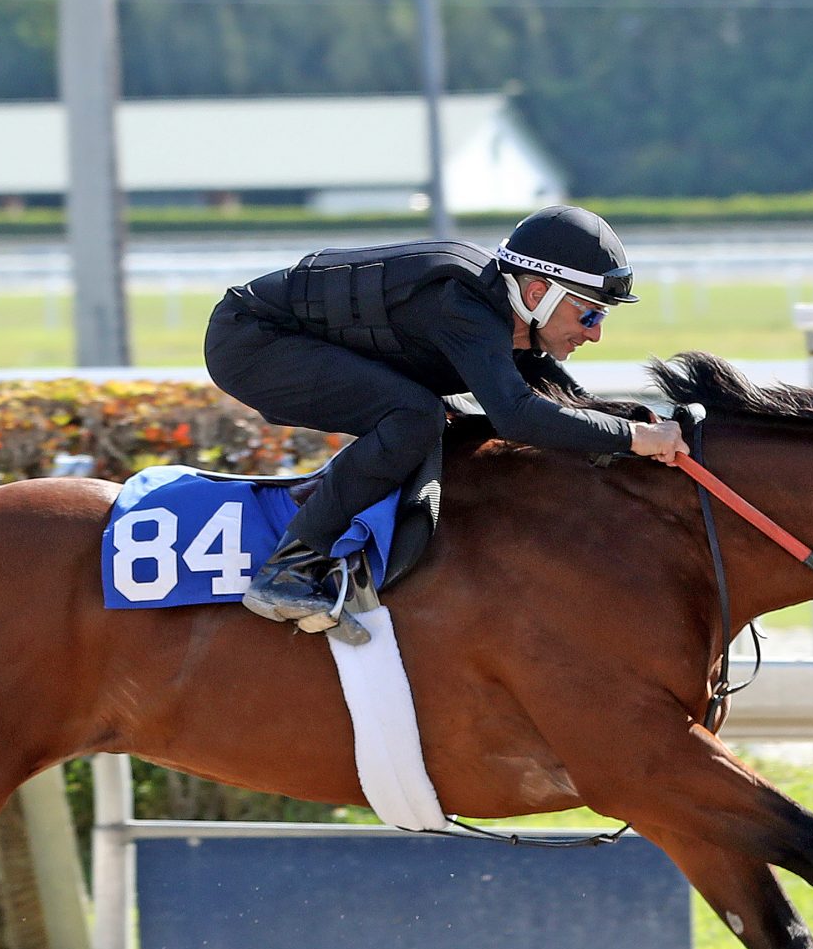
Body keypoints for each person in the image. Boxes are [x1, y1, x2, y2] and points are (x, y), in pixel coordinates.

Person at [203, 204, 690, 643]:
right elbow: (516, 415)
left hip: (293, 336)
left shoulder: (500, 311)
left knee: (424, 413)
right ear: (538, 292)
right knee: (415, 415)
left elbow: (562, 400)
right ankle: (291, 568)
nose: (597, 334)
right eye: (588, 315)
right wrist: (638, 438)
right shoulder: (462, 305)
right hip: (252, 342)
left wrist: (638, 425)